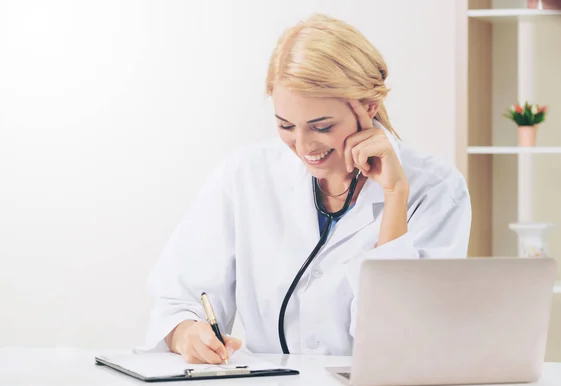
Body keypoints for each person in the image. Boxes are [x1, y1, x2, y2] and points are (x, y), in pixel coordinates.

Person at [142, 13, 472, 364]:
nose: (303, 146)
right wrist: (187, 332)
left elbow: (399, 341)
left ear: (369, 107)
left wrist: (394, 197)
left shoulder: (436, 189)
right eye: (286, 125)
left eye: (322, 126)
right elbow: (177, 300)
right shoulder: (244, 176)